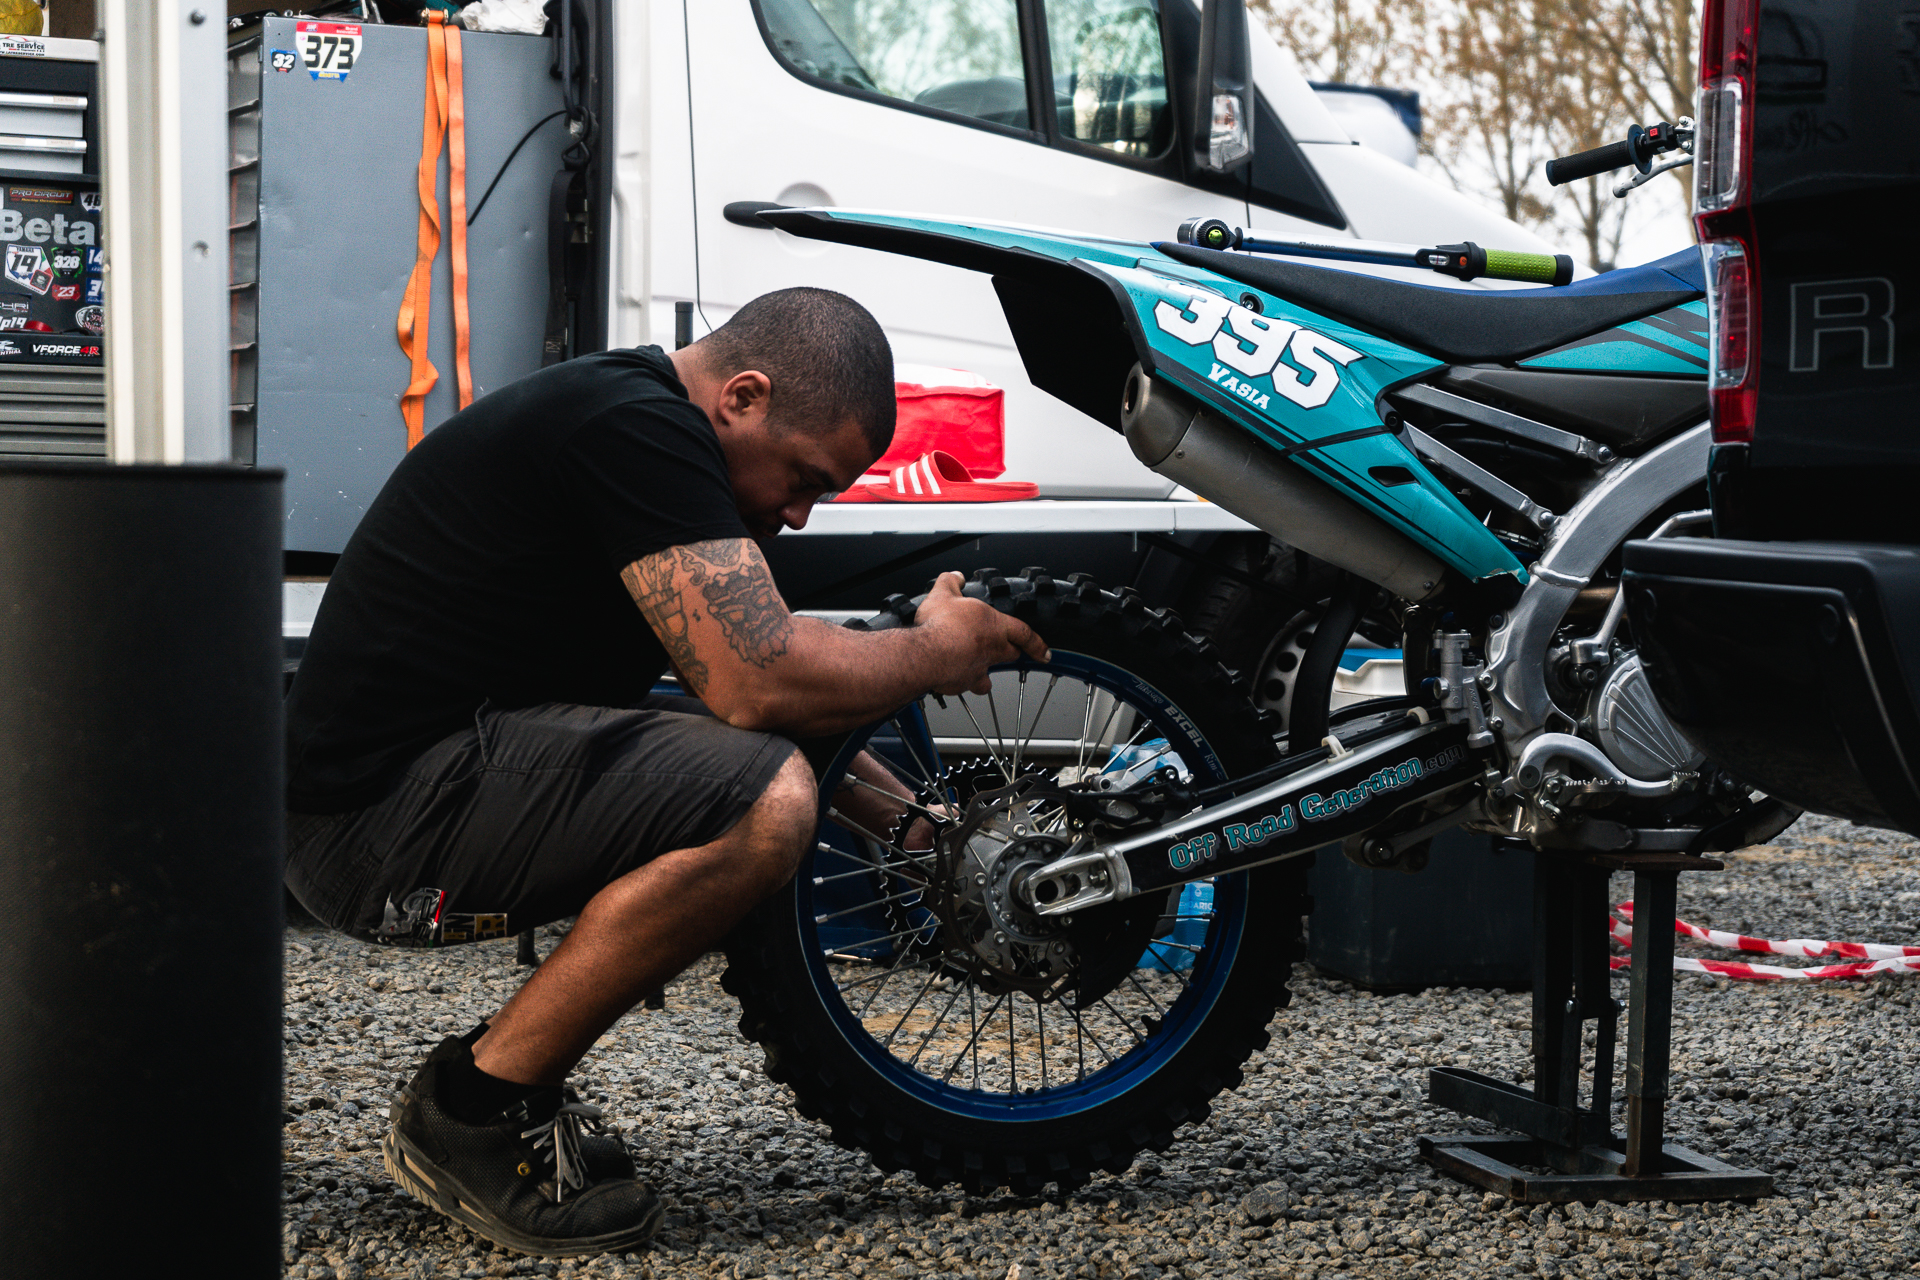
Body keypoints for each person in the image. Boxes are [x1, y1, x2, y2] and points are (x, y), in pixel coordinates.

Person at [283, 287, 1047, 1257]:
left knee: (769, 763)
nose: (802, 515)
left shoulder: (632, 416)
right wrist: (937, 653)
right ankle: (473, 1110)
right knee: (764, 806)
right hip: (376, 821)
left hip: (441, 762)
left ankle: (499, 1092)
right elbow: (756, 677)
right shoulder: (636, 430)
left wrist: (916, 827)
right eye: (806, 476)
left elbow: (729, 694)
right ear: (743, 395)